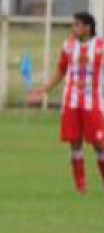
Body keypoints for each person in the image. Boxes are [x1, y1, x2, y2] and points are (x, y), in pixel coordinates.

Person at [28, 12, 104, 193]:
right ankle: (81, 186)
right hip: (71, 101)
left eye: (77, 25)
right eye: (73, 25)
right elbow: (61, 70)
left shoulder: (100, 46)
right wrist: (44, 89)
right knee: (74, 142)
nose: (73, 28)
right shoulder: (68, 46)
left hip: (92, 101)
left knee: (99, 143)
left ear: (88, 27)